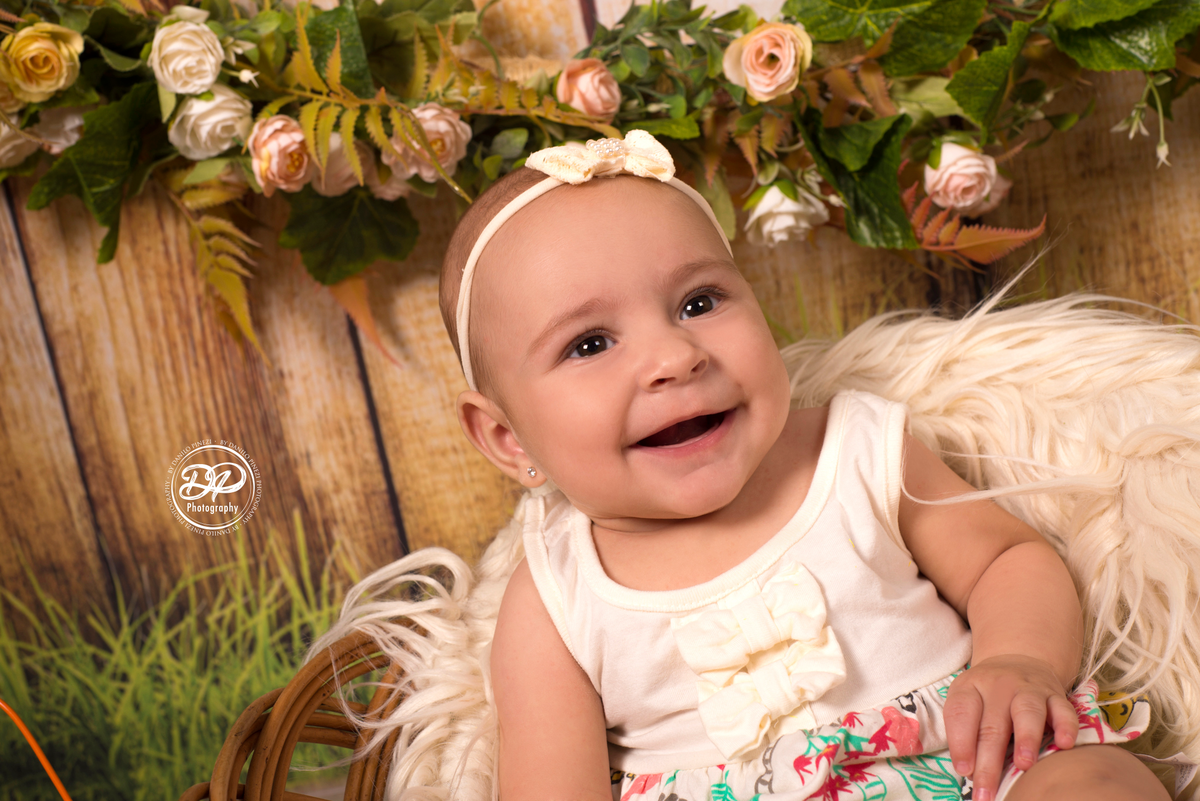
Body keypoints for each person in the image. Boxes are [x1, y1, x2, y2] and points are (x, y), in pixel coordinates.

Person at [428, 131, 1168, 801]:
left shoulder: (854, 450)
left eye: (698, 301)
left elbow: (1006, 557)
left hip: (972, 767)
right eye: (589, 344)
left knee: (1095, 780)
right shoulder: (557, 594)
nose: (676, 356)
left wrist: (1020, 659)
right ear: (507, 437)